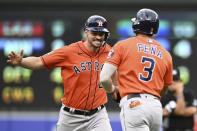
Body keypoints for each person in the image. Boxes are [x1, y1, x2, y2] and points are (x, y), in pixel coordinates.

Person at [7, 15, 113, 131]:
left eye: (101, 34)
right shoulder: (69, 52)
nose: (98, 37)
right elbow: (39, 61)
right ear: (86, 32)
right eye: (94, 33)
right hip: (70, 117)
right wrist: (22, 62)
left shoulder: (109, 52)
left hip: (97, 116)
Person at [100, 8, 173, 131]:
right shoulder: (165, 53)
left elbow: (104, 78)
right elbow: (165, 89)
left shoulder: (123, 45)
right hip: (155, 107)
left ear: (137, 24)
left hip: (134, 104)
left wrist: (113, 90)